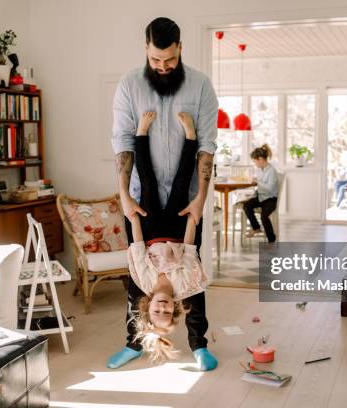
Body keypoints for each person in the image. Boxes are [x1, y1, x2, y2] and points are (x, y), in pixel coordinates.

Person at [109, 17, 218, 371]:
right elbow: (123, 143)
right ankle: (133, 342)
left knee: (193, 273)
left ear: (180, 49)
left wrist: (202, 195)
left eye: (169, 60)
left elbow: (206, 146)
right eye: (156, 60)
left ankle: (199, 344)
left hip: (188, 194)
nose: (163, 66)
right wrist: (123, 194)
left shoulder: (201, 85)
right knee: (136, 281)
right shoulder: (129, 85)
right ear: (146, 50)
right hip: (141, 194)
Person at [127, 111, 208, 364]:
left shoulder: (143, 282)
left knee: (147, 183)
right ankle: (191, 136)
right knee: (182, 183)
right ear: (175, 310)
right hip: (176, 229)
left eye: (157, 311)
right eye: (166, 311)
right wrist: (193, 218)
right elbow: (190, 248)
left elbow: (138, 248)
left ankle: (141, 133)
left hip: (149, 230)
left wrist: (134, 219)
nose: (162, 307)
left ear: (148, 307)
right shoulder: (185, 286)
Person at [243, 144, 279, 243]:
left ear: (260, 159)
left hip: (270, 199)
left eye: (255, 161)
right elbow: (261, 185)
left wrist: (258, 182)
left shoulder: (272, 171)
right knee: (247, 205)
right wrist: (255, 183)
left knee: (264, 216)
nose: (255, 164)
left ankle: (272, 240)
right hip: (261, 197)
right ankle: (256, 227)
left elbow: (270, 188)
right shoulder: (261, 170)